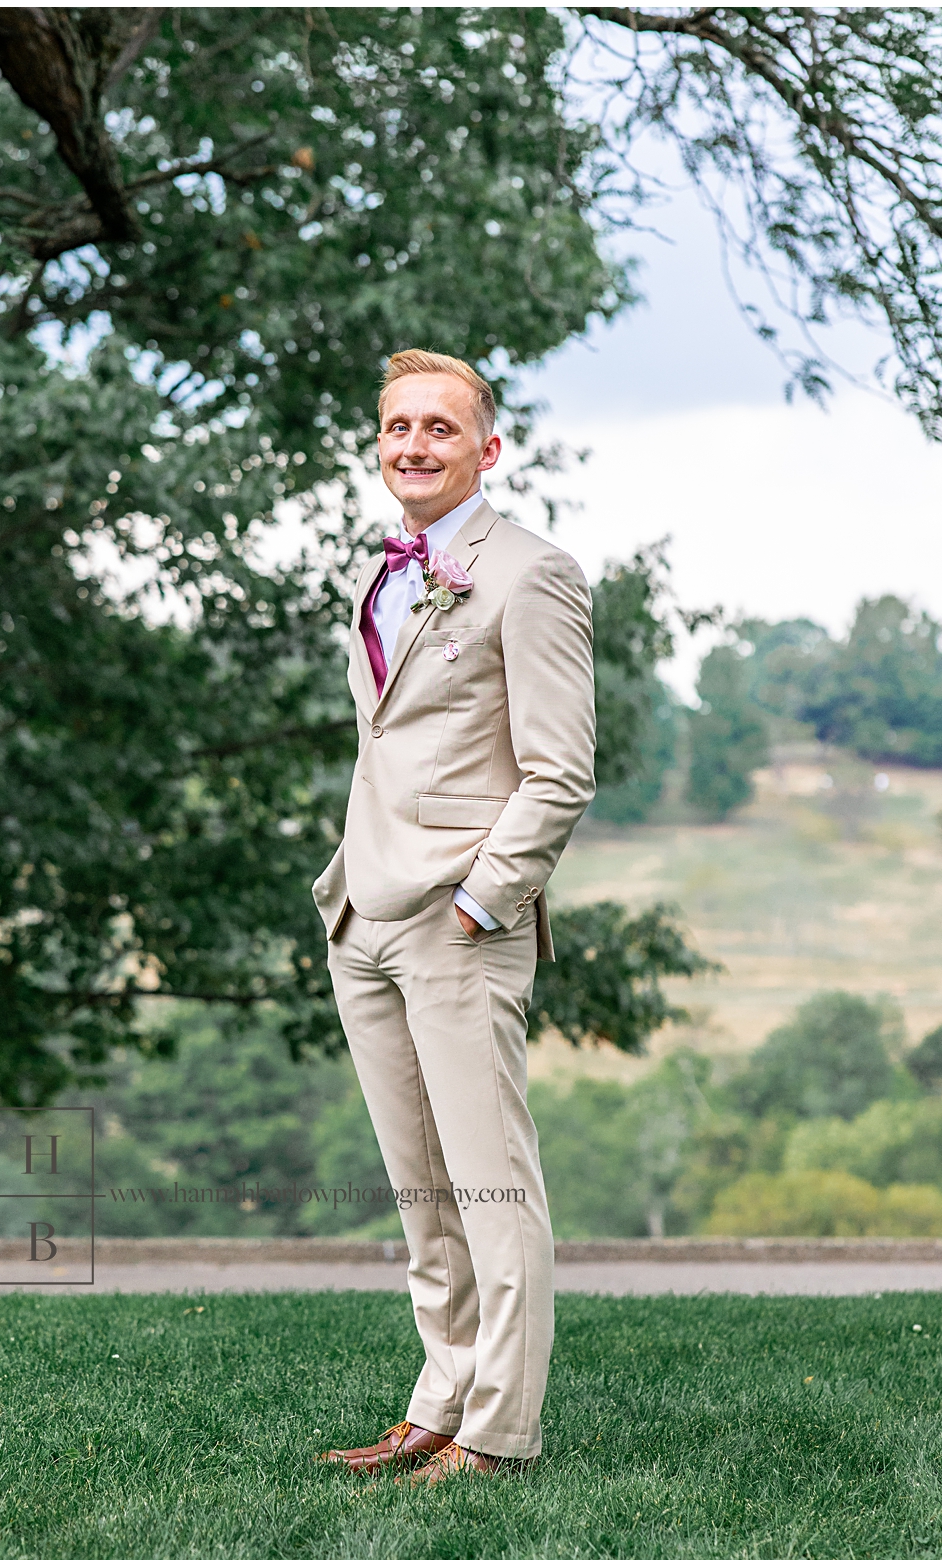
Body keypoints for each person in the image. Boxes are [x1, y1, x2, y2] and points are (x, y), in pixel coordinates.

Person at [314, 349, 596, 1483]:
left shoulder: (531, 575)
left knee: (491, 1186)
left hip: (457, 920)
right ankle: (441, 1397)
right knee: (424, 1190)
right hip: (363, 914)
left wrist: (483, 902)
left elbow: (560, 770)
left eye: (440, 427)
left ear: (488, 447)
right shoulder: (382, 574)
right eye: (396, 428)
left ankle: (500, 1432)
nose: (413, 445)